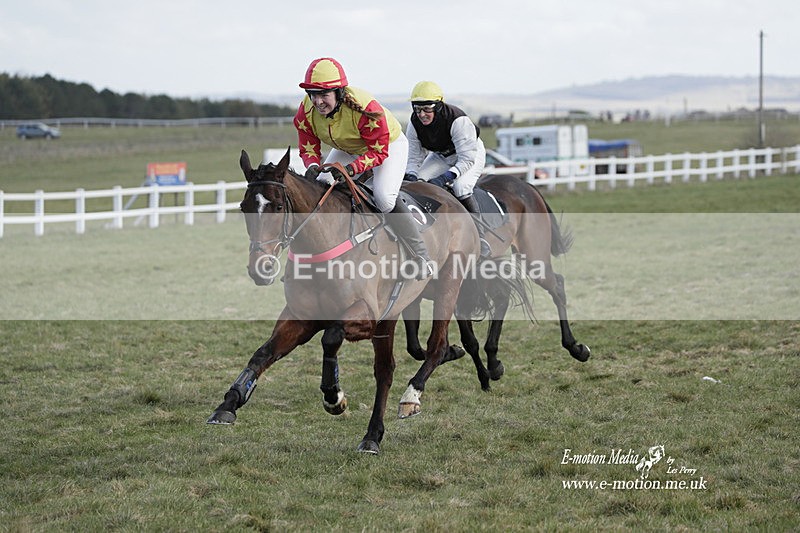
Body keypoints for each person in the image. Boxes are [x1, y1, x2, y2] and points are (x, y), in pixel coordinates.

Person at [293, 58, 432, 279]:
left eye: (323, 95)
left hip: (389, 145)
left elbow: (378, 152)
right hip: (349, 147)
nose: (317, 102)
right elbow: (308, 146)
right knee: (321, 185)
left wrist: (349, 170)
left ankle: (421, 256)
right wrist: (311, 166)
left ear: (339, 93)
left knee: (384, 198)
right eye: (313, 94)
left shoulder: (365, 108)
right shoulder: (305, 111)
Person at [404, 81, 491, 257]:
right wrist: (412, 176)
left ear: (438, 106)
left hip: (470, 153)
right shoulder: (414, 123)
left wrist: (446, 177)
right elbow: (414, 157)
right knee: (416, 184)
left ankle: (481, 236)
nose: (421, 114)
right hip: (441, 155)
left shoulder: (458, 120)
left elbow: (466, 159)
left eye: (427, 109)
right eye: (417, 109)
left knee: (460, 187)